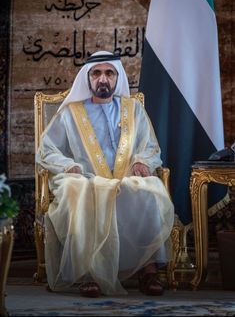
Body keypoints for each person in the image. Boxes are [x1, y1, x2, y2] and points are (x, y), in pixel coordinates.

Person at [36, 50, 174, 297]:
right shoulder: (71, 113)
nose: (103, 79)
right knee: (75, 191)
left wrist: (142, 161)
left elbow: (150, 146)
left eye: (109, 73)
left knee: (150, 188)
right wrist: (68, 166)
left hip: (125, 177)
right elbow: (46, 149)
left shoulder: (133, 110)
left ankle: (148, 269)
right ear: (87, 78)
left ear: (117, 77)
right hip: (86, 179)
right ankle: (88, 272)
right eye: (97, 73)